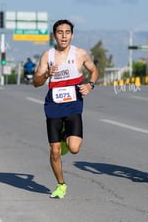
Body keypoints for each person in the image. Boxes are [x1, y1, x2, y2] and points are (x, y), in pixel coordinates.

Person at [33, 19, 98, 199]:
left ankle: (64, 137)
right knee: (55, 151)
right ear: (54, 35)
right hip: (53, 106)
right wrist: (47, 74)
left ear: (72, 35)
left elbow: (94, 70)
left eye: (67, 32)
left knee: (74, 148)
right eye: (60, 32)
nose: (63, 36)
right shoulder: (47, 55)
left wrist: (90, 85)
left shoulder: (80, 54)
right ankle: (61, 184)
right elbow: (35, 83)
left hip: (73, 105)